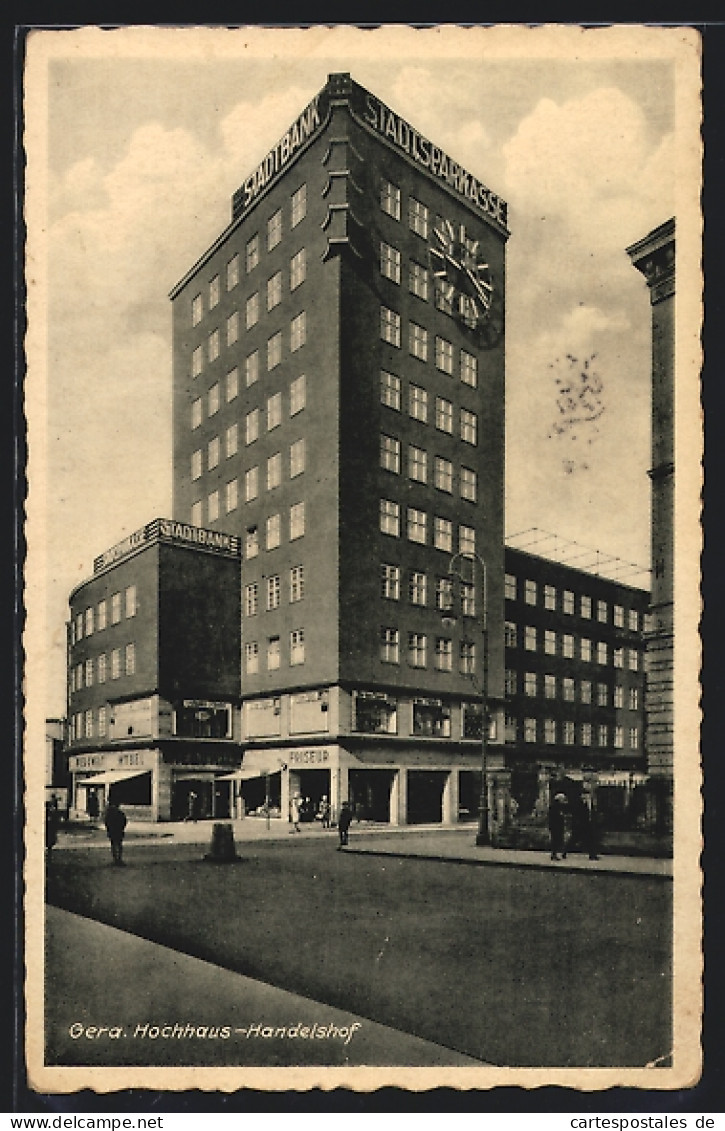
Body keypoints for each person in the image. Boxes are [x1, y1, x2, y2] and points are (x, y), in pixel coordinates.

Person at [104, 800, 127, 865]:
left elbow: (107, 822)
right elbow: (124, 821)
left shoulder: (109, 814)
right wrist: (121, 828)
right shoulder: (120, 813)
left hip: (112, 831)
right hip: (118, 830)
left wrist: (108, 828)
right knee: (119, 844)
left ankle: (115, 859)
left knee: (113, 844)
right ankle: (119, 859)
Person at [548, 792, 567, 861]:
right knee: (555, 840)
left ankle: (556, 854)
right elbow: (554, 817)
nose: (564, 801)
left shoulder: (558, 806)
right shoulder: (555, 807)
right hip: (555, 826)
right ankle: (554, 854)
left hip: (557, 826)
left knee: (557, 840)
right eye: (563, 799)